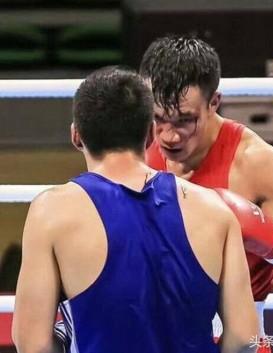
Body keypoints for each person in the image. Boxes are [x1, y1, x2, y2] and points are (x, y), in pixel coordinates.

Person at [12, 67, 258, 353]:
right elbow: (244, 338)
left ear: (77, 136)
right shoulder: (215, 210)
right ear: (152, 134)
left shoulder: (51, 212)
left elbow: (32, 345)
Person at [141, 36, 273, 351]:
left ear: (214, 102)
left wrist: (271, 238)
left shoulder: (254, 163)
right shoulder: (134, 148)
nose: (168, 135)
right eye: (158, 118)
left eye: (185, 120)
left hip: (236, 341)